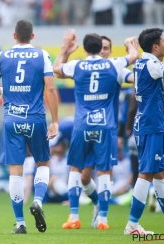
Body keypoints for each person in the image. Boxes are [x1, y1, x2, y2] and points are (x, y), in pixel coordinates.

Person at [53, 30, 138, 230]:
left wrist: (66, 47)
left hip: (82, 125)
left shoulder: (77, 65)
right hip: (105, 125)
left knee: (75, 169)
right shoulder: (113, 64)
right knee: (105, 172)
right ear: (100, 48)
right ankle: (103, 220)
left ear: (83, 49)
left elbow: (56, 69)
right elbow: (134, 57)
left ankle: (74, 217)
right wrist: (130, 44)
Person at [0, 19, 59, 234]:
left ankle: (20, 223)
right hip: (35, 118)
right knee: (43, 163)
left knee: (15, 172)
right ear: (32, 37)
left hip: (11, 120)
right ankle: (37, 201)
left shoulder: (2, 56)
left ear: (14, 36)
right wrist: (54, 121)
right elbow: (51, 89)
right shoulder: (41, 55)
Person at [80, 35, 135, 227]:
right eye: (101, 48)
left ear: (111, 51)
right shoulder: (86, 70)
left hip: (108, 129)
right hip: (87, 127)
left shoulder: (116, 69)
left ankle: (103, 216)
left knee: (105, 173)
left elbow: (132, 78)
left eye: (106, 48)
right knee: (84, 178)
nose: (103, 51)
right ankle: (97, 203)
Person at [124, 28, 164, 235]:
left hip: (148, 124)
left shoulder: (143, 62)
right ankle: (132, 224)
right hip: (150, 126)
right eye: (162, 42)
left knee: (160, 174)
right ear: (154, 46)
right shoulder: (152, 64)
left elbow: (158, 63)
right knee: (146, 174)